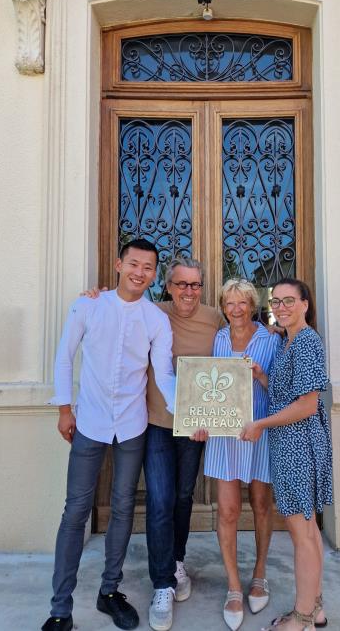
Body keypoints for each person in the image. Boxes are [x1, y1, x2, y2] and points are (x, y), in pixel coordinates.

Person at [82, 257, 224, 631]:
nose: (188, 292)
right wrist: (93, 298)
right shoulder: (151, 312)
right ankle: (162, 583)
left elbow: (239, 344)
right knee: (160, 501)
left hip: (194, 427)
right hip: (157, 424)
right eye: (181, 284)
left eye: (195, 285)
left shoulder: (214, 318)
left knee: (181, 497)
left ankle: (176, 561)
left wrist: (271, 334)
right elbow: (115, 313)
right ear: (168, 286)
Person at [42, 238, 176, 631]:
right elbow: (64, 357)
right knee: (75, 512)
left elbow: (163, 374)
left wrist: (188, 412)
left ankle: (109, 591)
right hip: (90, 423)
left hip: (132, 425)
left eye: (148, 267)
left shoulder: (155, 319)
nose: (140, 272)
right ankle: (60, 608)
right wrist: (64, 408)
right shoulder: (89, 304)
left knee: (122, 508)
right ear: (118, 264)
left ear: (155, 274)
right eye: (133, 263)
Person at [239, 278, 333, 631]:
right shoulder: (287, 342)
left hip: (299, 446)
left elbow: (307, 405)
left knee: (302, 534)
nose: (280, 307)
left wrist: (260, 423)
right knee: (307, 532)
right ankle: (316, 607)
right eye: (275, 301)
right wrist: (262, 375)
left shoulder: (306, 342)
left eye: (288, 300)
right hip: (289, 445)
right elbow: (286, 393)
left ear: (305, 304)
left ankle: (302, 617)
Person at [203, 279, 280, 631]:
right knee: (229, 510)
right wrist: (199, 418)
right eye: (229, 303)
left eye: (242, 303)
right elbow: (206, 385)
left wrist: (260, 373)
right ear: (223, 306)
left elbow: (280, 390)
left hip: (260, 431)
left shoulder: (270, 339)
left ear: (252, 305)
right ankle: (234, 586)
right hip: (224, 435)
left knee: (262, 505)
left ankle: (259, 573)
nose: (235, 309)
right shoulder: (218, 338)